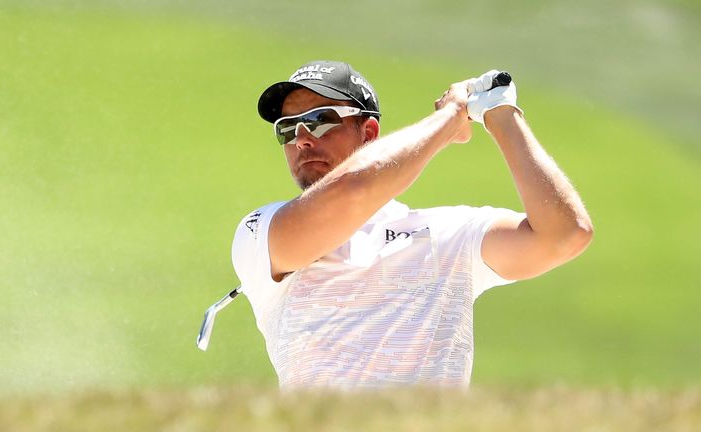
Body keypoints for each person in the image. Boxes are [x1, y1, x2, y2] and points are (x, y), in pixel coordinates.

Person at [231, 60, 593, 389]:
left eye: (320, 120)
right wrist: (451, 116)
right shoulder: (260, 231)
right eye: (287, 129)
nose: (302, 139)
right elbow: (355, 189)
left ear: (369, 132)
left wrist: (500, 114)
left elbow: (564, 234)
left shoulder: (448, 233)